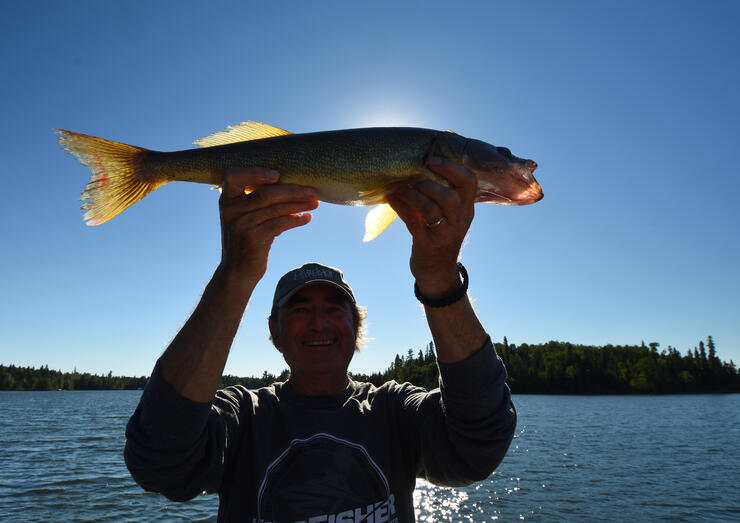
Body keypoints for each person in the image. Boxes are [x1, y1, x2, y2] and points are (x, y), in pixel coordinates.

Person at [124, 157, 517, 522]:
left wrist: (438, 277)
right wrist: (235, 274)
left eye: (333, 308)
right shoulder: (244, 415)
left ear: (356, 328)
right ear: (274, 332)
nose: (318, 323)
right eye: (298, 310)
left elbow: (478, 447)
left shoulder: (394, 411)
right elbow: (160, 464)